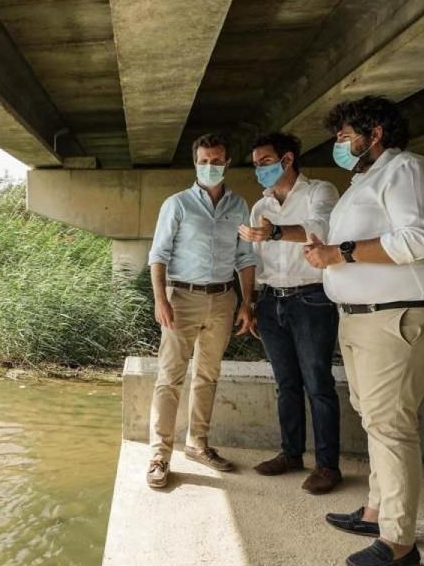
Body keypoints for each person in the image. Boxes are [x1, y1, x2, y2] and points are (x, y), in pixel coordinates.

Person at [303, 96, 424, 566]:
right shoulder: (366, 180)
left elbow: (419, 238)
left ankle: (398, 543)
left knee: (390, 424)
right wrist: (329, 253)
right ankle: (377, 511)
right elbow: (366, 242)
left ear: (376, 135)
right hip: (368, 314)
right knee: (376, 417)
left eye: (346, 135)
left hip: (398, 313)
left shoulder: (407, 169)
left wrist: (340, 253)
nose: (339, 144)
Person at [145, 133, 257, 489]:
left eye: (217, 160)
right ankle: (159, 456)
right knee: (170, 377)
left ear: (227, 163)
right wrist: (161, 300)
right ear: (196, 163)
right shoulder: (176, 205)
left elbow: (245, 258)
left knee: (208, 375)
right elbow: (158, 255)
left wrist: (246, 302)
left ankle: (197, 444)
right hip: (182, 299)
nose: (210, 166)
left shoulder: (239, 206)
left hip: (224, 299)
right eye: (204, 160)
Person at [237, 132, 343, 494]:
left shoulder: (320, 192)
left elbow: (322, 231)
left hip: (312, 298)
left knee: (318, 383)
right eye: (255, 164)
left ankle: (328, 466)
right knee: (286, 384)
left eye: (265, 161)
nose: (259, 169)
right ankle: (291, 454)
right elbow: (251, 258)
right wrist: (248, 303)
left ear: (288, 159)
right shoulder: (260, 206)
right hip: (270, 301)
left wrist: (277, 231)